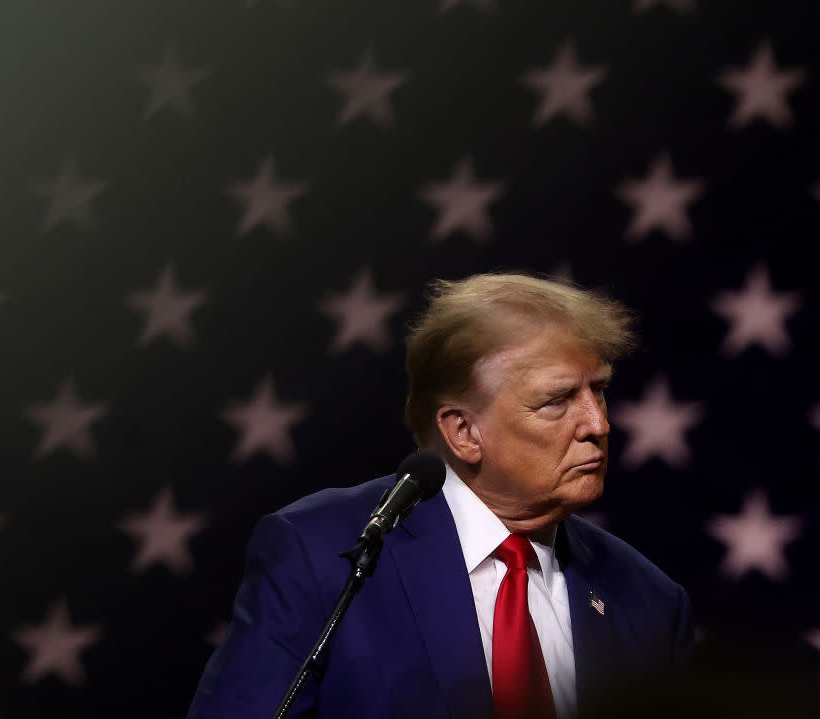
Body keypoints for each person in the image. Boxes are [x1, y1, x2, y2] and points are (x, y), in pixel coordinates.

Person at [187, 273, 694, 719]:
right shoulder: (326, 557)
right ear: (464, 433)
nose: (598, 423)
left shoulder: (648, 602)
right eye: (557, 401)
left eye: (598, 390)